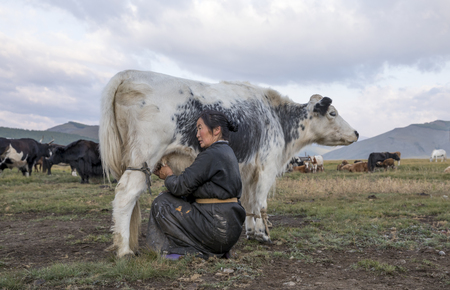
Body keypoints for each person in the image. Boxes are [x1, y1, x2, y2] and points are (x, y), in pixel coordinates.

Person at [147, 109, 246, 259]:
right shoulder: (227, 152)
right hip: (228, 231)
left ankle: (183, 250)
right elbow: (195, 188)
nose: (197, 134)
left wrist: (168, 175)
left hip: (216, 230)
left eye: (200, 128)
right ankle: (212, 249)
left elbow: (180, 186)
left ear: (216, 130)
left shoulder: (212, 154)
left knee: (162, 203)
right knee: (178, 199)